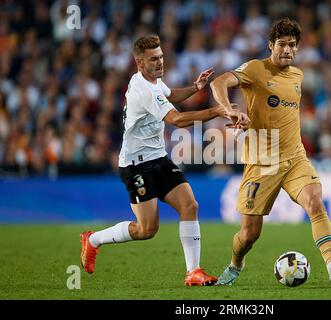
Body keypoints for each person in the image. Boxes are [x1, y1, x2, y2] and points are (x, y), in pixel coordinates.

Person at [210, 18, 331, 287]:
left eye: (292, 45)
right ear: (270, 45)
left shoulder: (298, 75)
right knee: (249, 235)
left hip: (295, 158)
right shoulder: (255, 68)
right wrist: (229, 109)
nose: (287, 49)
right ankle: (235, 265)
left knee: (315, 203)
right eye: (282, 44)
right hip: (261, 162)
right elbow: (218, 83)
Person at [80, 34, 232, 286]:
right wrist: (218, 110)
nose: (160, 62)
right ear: (139, 62)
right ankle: (93, 240)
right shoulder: (144, 90)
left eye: (161, 57)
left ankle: (193, 272)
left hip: (158, 158)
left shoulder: (152, 82)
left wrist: (195, 88)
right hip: (135, 165)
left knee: (189, 205)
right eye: (153, 59)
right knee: (146, 230)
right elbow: (177, 120)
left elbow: (170, 94)